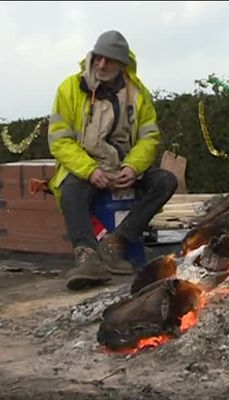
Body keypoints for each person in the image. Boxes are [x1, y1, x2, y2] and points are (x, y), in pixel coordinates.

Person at [47, 30, 177, 290]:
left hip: (123, 167)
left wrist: (133, 166)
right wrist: (89, 170)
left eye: (109, 60)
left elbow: (149, 138)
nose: (102, 65)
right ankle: (87, 257)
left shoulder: (139, 94)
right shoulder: (69, 89)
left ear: (122, 64)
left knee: (165, 181)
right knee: (70, 190)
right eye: (98, 58)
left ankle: (117, 242)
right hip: (86, 166)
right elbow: (59, 141)